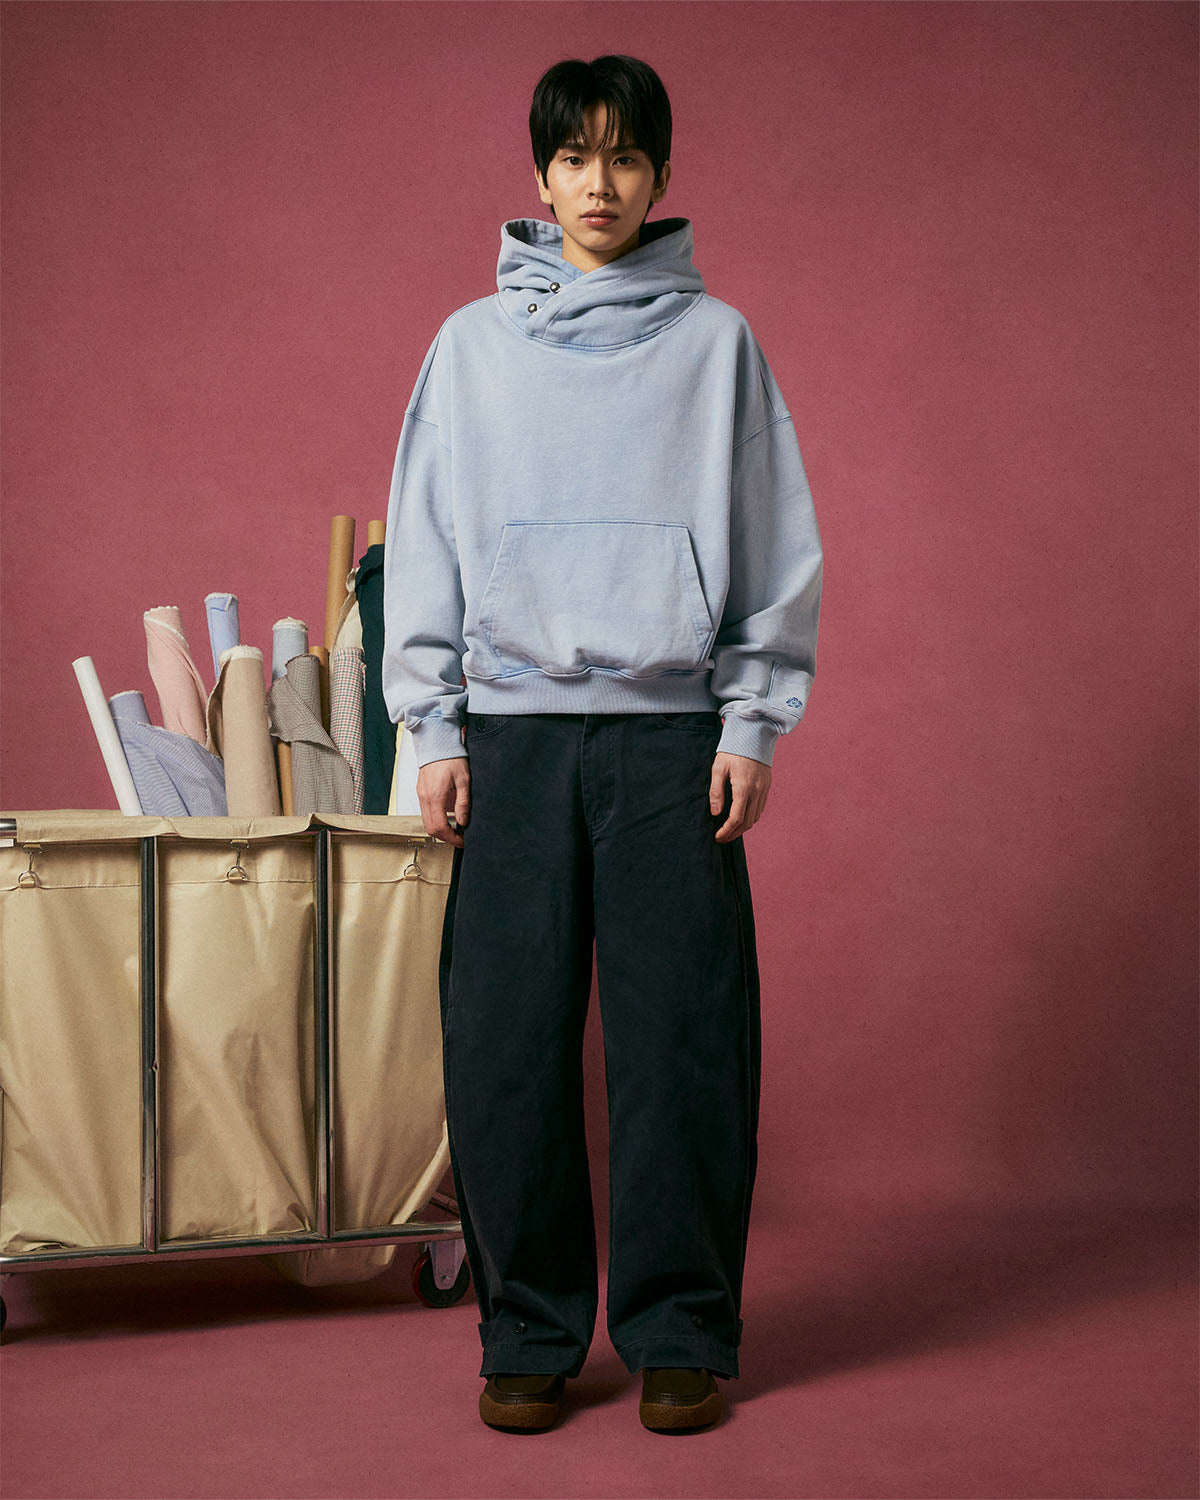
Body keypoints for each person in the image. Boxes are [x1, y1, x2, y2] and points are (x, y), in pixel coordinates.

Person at [382, 54, 822, 1434]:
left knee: (683, 1040)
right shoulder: (468, 348)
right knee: (505, 1045)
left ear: (662, 176)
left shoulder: (718, 345)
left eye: (626, 157)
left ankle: (680, 1328)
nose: (599, 183)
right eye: (575, 156)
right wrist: (431, 722)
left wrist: (752, 719)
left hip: (671, 739)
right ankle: (527, 1332)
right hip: (509, 737)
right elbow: (425, 539)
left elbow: (772, 541)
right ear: (539, 173)